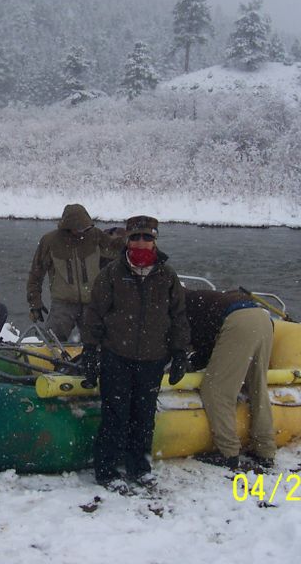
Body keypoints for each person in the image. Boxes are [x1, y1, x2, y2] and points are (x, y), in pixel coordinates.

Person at [81, 215, 191, 492]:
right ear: (127, 240)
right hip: (116, 356)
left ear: (155, 241)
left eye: (147, 237)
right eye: (136, 237)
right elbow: (94, 315)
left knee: (144, 417)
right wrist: (90, 352)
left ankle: (139, 468)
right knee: (114, 415)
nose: (141, 242)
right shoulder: (111, 274)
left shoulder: (167, 276)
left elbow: (178, 316)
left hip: (153, 360)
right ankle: (106, 470)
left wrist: (180, 353)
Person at [175, 288, 276, 469]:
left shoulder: (183, 308)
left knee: (216, 390)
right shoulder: (200, 298)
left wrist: (189, 365)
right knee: (257, 387)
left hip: (238, 322)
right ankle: (265, 449)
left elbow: (202, 343)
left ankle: (228, 452)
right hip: (263, 319)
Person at [26, 204, 124, 341]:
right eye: (79, 228)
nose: (83, 231)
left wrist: (128, 236)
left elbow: (117, 251)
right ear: (68, 226)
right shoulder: (50, 241)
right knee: (52, 343)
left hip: (92, 303)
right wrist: (34, 302)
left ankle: (89, 361)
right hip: (62, 305)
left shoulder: (95, 235)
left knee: (96, 343)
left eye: (85, 227)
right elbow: (36, 274)